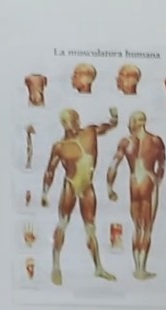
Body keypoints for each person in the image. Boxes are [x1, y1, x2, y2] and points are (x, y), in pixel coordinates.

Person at [41, 106, 119, 285]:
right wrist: (45, 193)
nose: (76, 124)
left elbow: (106, 127)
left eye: (76, 120)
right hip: (71, 185)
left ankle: (98, 268)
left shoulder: (90, 132)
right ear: (64, 124)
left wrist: (114, 119)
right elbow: (50, 171)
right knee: (62, 224)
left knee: (90, 229)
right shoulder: (60, 146)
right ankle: (56, 266)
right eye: (72, 122)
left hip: (87, 187)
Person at [106, 110, 166, 280]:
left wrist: (110, 187)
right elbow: (162, 164)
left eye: (131, 121)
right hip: (148, 179)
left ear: (137, 122)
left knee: (138, 227)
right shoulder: (155, 141)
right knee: (147, 228)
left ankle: (138, 268)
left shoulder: (126, 142)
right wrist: (157, 180)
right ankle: (141, 269)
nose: (129, 125)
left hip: (134, 182)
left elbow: (113, 165)